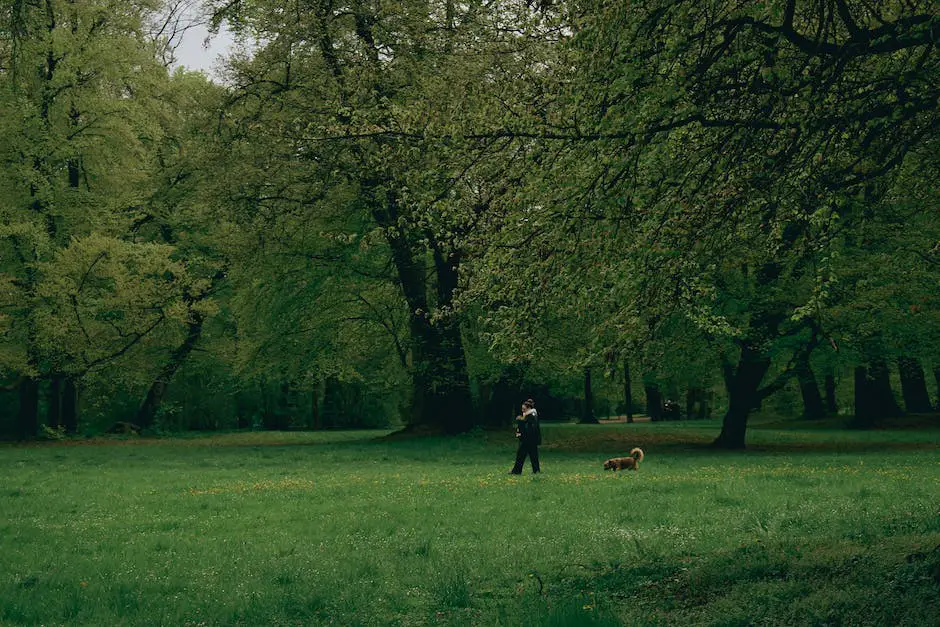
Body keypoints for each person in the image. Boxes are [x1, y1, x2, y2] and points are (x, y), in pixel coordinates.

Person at [510, 398, 541, 474]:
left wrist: (520, 420)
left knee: (521, 455)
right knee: (532, 456)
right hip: (530, 440)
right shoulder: (529, 416)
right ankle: (536, 470)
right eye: (522, 409)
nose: (522, 410)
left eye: (524, 409)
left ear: (529, 408)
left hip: (528, 440)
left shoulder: (531, 416)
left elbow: (528, 427)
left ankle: (517, 471)